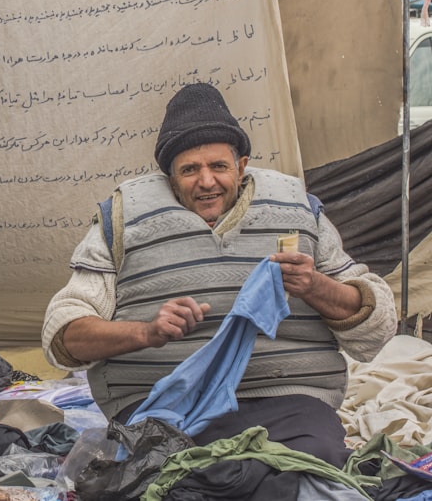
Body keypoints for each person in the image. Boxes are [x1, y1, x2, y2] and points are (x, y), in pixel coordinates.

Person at [41, 82, 397, 467]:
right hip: (164, 409)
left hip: (289, 403)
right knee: (173, 479)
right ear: (170, 177)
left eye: (219, 166)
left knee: (310, 466)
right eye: (190, 170)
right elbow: (64, 338)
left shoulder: (296, 213)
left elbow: (376, 327)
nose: (206, 181)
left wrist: (315, 286)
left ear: (241, 166)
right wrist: (146, 332)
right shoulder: (123, 221)